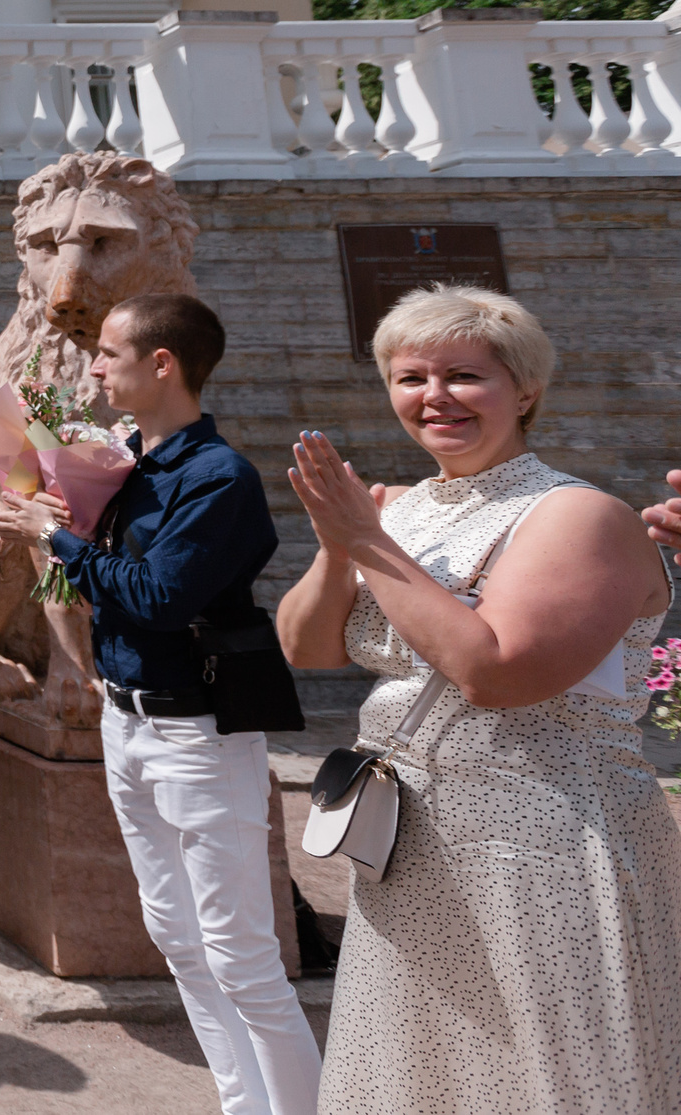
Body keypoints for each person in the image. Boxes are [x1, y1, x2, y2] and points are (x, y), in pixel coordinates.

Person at [275, 285, 681, 1113]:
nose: (434, 397)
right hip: (412, 852)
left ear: (524, 389)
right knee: (423, 1076)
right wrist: (333, 545)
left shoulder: (578, 515)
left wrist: (366, 541)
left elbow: (494, 670)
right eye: (410, 375)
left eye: (465, 375)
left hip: (547, 845)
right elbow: (308, 647)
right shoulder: (405, 508)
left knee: (555, 1079)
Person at [0, 293, 321, 1115]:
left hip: (197, 734)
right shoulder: (127, 456)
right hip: (127, 723)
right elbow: (101, 572)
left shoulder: (218, 478)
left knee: (242, 958)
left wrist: (53, 537)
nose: (92, 366)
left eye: (107, 351)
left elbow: (161, 596)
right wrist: (37, 524)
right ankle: (244, 1104)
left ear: (160, 363)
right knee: (177, 938)